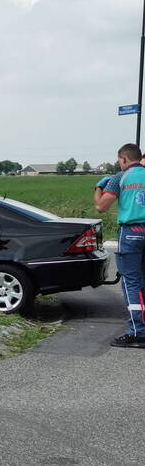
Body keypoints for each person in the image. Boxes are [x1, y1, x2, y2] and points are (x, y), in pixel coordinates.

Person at [95, 143, 145, 347]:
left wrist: (99, 187)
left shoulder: (119, 178)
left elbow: (100, 207)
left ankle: (138, 333)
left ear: (124, 159)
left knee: (131, 282)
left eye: (119, 160)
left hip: (131, 232)